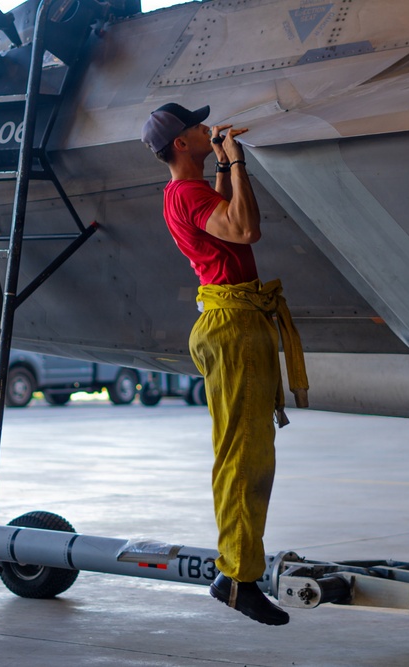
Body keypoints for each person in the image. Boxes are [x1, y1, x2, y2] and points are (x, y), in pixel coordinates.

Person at [141, 103, 308, 626]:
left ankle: (237, 571)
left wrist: (220, 164)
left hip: (232, 319)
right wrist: (237, 162)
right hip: (233, 326)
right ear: (180, 143)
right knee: (244, 455)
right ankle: (236, 577)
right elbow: (244, 228)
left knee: (246, 450)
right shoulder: (186, 194)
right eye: (196, 126)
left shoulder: (186, 192)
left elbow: (222, 219)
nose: (205, 127)